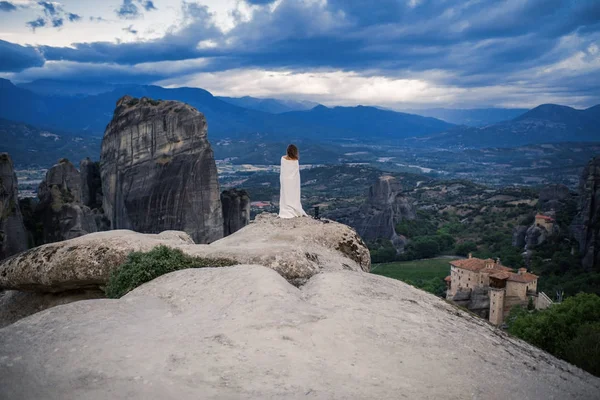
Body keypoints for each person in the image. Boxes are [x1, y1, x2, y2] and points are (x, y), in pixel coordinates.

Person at [279, 144, 308, 218]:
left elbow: (283, 171)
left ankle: (286, 209)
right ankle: (294, 208)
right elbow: (296, 173)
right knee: (294, 195)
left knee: (285, 195)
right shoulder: (295, 161)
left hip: (285, 180)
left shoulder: (283, 159)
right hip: (294, 182)